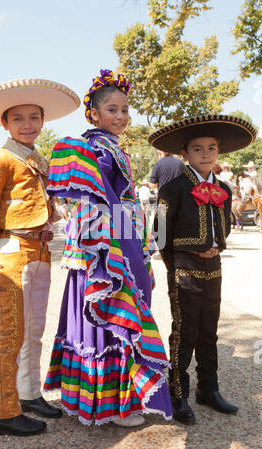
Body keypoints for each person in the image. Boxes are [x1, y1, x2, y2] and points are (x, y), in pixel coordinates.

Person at [44, 69, 172, 427]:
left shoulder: (108, 147)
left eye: (125, 110)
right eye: (112, 109)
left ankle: (91, 397)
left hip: (100, 238)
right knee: (116, 305)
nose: (121, 116)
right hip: (106, 242)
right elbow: (102, 203)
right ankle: (113, 405)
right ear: (94, 114)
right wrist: (128, 250)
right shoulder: (97, 149)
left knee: (101, 310)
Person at [0, 78, 80, 436]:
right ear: (5, 124)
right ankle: (1, 411)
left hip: (41, 250)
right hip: (15, 251)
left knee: (34, 329)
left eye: (34, 117)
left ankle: (28, 394)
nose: (27, 124)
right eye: (19, 119)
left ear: (42, 121)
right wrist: (2, 240)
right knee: (11, 333)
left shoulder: (38, 159)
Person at [148, 114, 256, 424]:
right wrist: (176, 262)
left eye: (211, 148)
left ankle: (209, 389)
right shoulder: (174, 188)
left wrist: (216, 245)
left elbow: (226, 227)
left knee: (209, 330)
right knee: (185, 331)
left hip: (214, 266)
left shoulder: (223, 187)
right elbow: (161, 232)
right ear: (185, 153)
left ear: (218, 151)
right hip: (184, 266)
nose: (205, 154)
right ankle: (178, 393)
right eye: (198, 149)